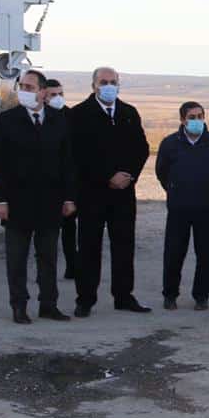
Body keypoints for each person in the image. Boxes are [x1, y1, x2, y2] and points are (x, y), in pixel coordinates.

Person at [0, 69, 76, 324]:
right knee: (16, 258)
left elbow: (67, 162)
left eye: (30, 87)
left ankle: (49, 304)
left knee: (48, 257)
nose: (24, 91)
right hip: (17, 201)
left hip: (50, 201)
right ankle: (19, 305)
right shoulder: (7, 120)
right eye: (22, 86)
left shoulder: (58, 120)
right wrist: (0, 199)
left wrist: (69, 197)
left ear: (42, 91)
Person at [69, 66, 150, 316]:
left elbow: (141, 148)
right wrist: (107, 176)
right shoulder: (78, 115)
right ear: (93, 85)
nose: (108, 86)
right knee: (90, 247)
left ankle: (124, 296)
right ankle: (85, 299)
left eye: (113, 81)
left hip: (124, 194)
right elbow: (77, 156)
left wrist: (129, 175)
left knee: (124, 245)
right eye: (103, 82)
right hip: (92, 193)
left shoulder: (128, 113)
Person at [154, 101, 209, 310]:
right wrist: (174, 188)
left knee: (205, 254)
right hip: (178, 207)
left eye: (200, 116)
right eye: (192, 117)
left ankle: (201, 296)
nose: (197, 121)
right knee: (174, 252)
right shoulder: (169, 144)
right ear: (183, 120)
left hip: (206, 207)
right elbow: (161, 172)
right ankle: (170, 294)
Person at [45, 78, 78, 281]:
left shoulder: (71, 116)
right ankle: (47, 270)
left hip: (67, 181)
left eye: (60, 94)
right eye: (53, 95)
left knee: (69, 227)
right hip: (47, 182)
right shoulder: (41, 118)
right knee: (47, 231)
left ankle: (72, 266)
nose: (58, 99)